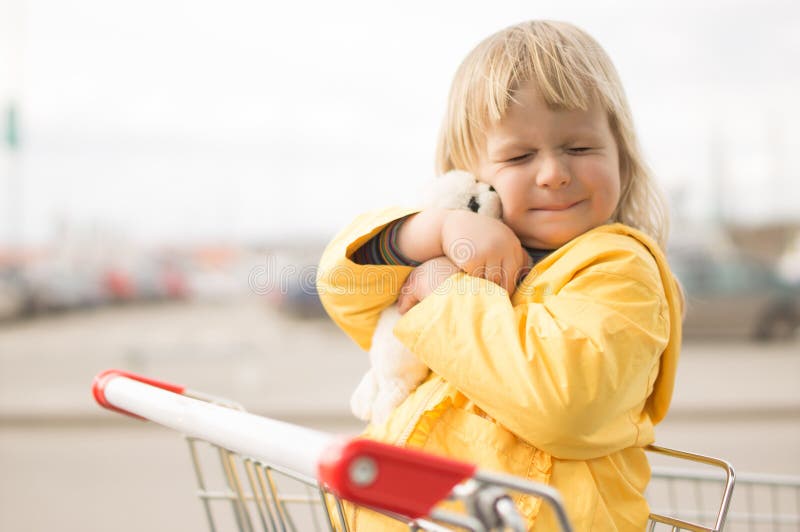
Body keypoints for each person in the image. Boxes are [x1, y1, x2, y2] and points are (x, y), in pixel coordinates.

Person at [316, 20, 683, 531]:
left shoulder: (618, 269)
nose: (553, 172)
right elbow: (341, 285)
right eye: (519, 155)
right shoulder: (456, 248)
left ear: (620, 151)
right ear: (469, 174)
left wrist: (444, 290)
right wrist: (432, 230)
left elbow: (565, 404)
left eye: (579, 148)